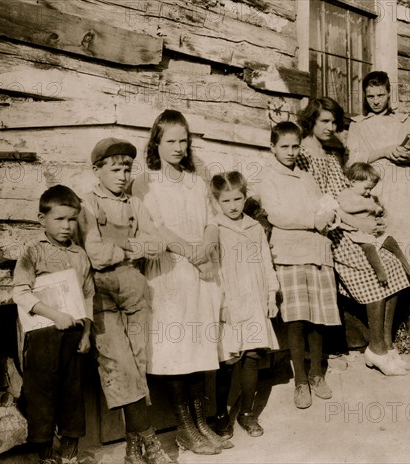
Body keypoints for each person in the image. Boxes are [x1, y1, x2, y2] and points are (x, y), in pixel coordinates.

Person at [132, 109, 231, 455]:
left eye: (183, 141)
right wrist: (192, 253)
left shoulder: (196, 180)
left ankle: (201, 423)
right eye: (170, 141)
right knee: (176, 350)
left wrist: (206, 248)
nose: (177, 148)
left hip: (202, 271)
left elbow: (212, 220)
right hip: (170, 272)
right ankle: (184, 429)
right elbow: (156, 228)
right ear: (156, 143)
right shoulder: (146, 181)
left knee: (199, 347)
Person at [296, 97, 410, 376]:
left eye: (334, 122)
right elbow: (322, 204)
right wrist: (357, 225)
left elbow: (346, 197)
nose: (331, 127)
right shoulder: (301, 157)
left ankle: (383, 345)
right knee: (374, 273)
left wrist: (366, 221)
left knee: (394, 267)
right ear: (311, 120)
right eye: (325, 121)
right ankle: (379, 350)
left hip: (350, 228)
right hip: (328, 232)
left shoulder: (332, 159)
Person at [77, 138, 174, 464]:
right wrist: (135, 247)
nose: (122, 175)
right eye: (115, 169)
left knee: (137, 367)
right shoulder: (88, 205)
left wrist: (127, 247)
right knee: (120, 366)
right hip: (103, 296)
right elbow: (97, 255)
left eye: (127, 169)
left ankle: (134, 450)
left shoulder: (135, 204)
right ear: (97, 170)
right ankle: (151, 442)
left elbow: (158, 244)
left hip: (135, 292)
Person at [251, 121, 339, 409]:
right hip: (288, 253)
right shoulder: (269, 177)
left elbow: (325, 206)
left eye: (295, 146)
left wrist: (328, 216)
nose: (290, 152)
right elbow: (278, 214)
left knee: (317, 317)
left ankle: (316, 373)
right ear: (273, 147)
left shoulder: (306, 177)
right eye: (284, 146)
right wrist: (312, 219)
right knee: (296, 317)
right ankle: (300, 380)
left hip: (316, 251)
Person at [347, 70, 410, 342]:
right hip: (379, 191)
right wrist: (384, 151)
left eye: (380, 95)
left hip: (406, 192)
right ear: (364, 96)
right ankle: (386, 324)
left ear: (389, 94)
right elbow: (353, 160)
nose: (375, 100)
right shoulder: (358, 126)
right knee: (387, 251)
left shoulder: (405, 121)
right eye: (370, 96)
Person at [12, 185, 94, 464]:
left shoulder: (80, 255)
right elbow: (21, 292)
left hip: (73, 336)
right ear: (41, 218)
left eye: (72, 219)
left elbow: (88, 295)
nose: (67, 226)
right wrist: (55, 315)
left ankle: (70, 454)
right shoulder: (33, 252)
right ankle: (45, 455)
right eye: (59, 219)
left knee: (72, 393)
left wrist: (86, 333)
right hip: (41, 337)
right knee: (42, 394)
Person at [210, 171, 280, 438]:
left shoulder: (254, 227)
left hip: (254, 299)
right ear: (217, 202)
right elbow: (214, 268)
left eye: (237, 199)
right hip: (229, 301)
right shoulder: (215, 228)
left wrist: (271, 297)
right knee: (229, 360)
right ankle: (220, 416)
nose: (233, 206)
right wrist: (222, 303)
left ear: (244, 197)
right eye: (226, 201)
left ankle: (247, 413)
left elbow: (266, 264)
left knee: (252, 356)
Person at [338, 162, 410, 284]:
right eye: (366, 188)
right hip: (357, 231)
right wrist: (367, 206)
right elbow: (345, 207)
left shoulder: (369, 197)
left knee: (391, 241)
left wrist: (381, 212)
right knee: (369, 248)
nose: (368, 192)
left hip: (373, 230)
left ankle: (407, 266)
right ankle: (380, 272)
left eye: (371, 189)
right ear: (353, 182)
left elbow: (378, 210)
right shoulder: (346, 194)